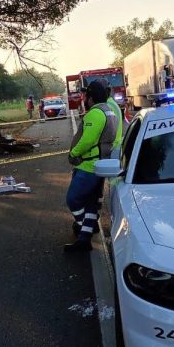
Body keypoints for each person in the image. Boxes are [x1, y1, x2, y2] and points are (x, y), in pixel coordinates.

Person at [65, 81, 118, 252]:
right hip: (100, 163)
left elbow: (87, 140)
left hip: (88, 165)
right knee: (90, 202)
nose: (84, 98)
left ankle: (82, 226)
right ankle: (84, 239)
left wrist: (73, 154)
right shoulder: (109, 110)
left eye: (86, 95)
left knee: (73, 199)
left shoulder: (95, 113)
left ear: (91, 97)